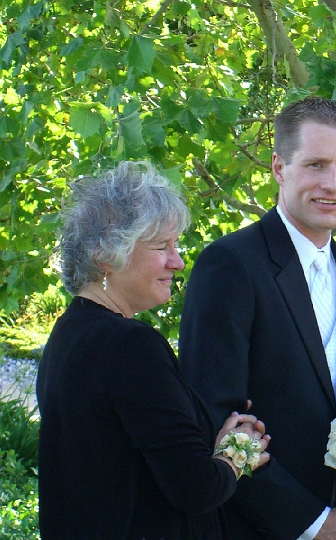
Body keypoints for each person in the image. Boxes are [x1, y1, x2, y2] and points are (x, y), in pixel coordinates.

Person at [179, 97, 336, 540]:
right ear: (279, 167)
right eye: (316, 165)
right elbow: (216, 421)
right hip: (259, 527)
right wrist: (316, 523)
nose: (333, 184)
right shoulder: (230, 265)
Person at [36, 161, 271, 540]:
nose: (177, 262)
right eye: (162, 247)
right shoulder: (130, 345)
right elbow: (196, 489)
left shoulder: (67, 334)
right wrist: (236, 452)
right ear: (105, 256)